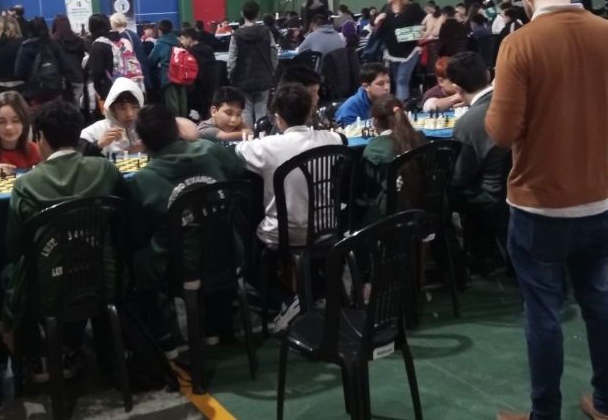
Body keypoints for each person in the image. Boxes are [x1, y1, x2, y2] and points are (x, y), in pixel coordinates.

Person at [487, 0, 608, 420]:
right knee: (601, 305)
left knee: (544, 314)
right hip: (598, 201)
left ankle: (545, 414)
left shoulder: (519, 44)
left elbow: (501, 132)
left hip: (539, 207)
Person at [0, 101, 123, 375]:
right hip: (103, 278)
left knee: (7, 274)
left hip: (48, 288)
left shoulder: (25, 184)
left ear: (40, 137)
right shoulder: (105, 170)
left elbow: (14, 247)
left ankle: (34, 358)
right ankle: (75, 347)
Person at [128, 104, 246, 354]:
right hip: (229, 253)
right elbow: (238, 170)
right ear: (178, 130)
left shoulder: (143, 179)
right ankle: (215, 328)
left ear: (143, 144)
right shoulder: (209, 150)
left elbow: (137, 231)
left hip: (182, 267)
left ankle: (166, 339)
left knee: (135, 258)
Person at [235, 83, 344, 328]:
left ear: (278, 118)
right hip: (326, 229)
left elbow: (240, 150)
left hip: (283, 234)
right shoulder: (333, 139)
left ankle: (286, 300)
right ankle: (316, 293)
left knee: (248, 252)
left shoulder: (265, 146)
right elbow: (343, 139)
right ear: (310, 111)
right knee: (313, 253)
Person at [446, 52, 511, 266]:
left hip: (491, 197)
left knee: (442, 194)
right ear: (487, 74)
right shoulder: (516, 103)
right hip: (523, 187)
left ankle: (457, 262)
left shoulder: (468, 123)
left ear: (457, 88)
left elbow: (461, 177)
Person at [359, 95, 425, 225]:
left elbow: (371, 190)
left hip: (389, 216)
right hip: (423, 207)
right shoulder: (421, 138)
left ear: (375, 121)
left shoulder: (374, 149)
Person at [228, 1, 278, 126]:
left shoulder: (236, 35)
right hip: (264, 78)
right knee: (262, 111)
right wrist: (272, 72)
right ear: (258, 14)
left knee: (245, 111)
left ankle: (248, 137)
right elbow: (273, 54)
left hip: (242, 79)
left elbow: (232, 59)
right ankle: (262, 135)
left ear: (242, 14)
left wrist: (230, 76)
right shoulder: (266, 31)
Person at [375, 0, 427, 101]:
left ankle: (401, 107)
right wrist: (378, 20)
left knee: (402, 80)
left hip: (410, 50)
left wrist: (422, 32)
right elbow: (380, 31)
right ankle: (405, 102)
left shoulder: (412, 8)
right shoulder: (386, 8)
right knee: (396, 79)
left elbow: (425, 20)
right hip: (392, 51)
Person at [15, 17, 71, 109]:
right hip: (54, 93)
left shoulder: (25, 48)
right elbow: (65, 66)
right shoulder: (54, 44)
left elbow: (18, 73)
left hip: (34, 95)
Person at [80, 77, 145, 155]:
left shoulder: (146, 129)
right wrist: (98, 145)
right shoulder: (96, 130)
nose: (129, 114)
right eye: (122, 108)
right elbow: (75, 154)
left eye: (135, 107)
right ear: (112, 109)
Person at [149, 19, 187, 117]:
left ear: (160, 31)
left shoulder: (160, 44)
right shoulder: (179, 42)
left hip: (168, 77)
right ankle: (185, 123)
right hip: (181, 76)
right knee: (183, 104)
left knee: (172, 106)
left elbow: (151, 61)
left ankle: (175, 125)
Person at [51, 15, 89, 112]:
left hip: (63, 80)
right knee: (76, 108)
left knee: (63, 110)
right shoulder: (79, 41)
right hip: (78, 77)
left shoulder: (53, 42)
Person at [179, 27, 216, 118]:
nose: (181, 42)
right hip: (212, 86)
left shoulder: (189, 52)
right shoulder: (208, 49)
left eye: (182, 39)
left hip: (197, 89)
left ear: (189, 39)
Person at [110, 12, 153, 90]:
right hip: (140, 70)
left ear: (114, 23)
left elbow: (127, 52)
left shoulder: (123, 36)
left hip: (133, 73)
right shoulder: (130, 33)